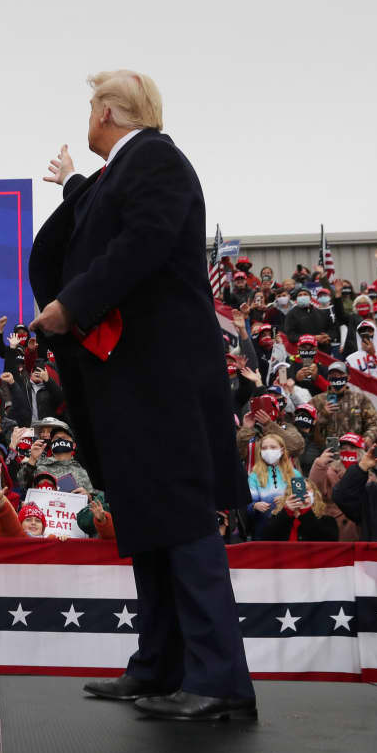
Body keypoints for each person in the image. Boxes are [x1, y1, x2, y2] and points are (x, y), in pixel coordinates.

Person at [30, 70, 254, 719]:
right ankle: (159, 666)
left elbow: (142, 240)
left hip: (164, 382)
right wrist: (74, 182)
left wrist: (72, 304)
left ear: (107, 111)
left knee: (180, 519)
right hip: (131, 384)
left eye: (90, 107)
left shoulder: (156, 158)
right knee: (149, 520)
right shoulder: (122, 172)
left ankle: (218, 681)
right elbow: (103, 213)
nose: (86, 116)